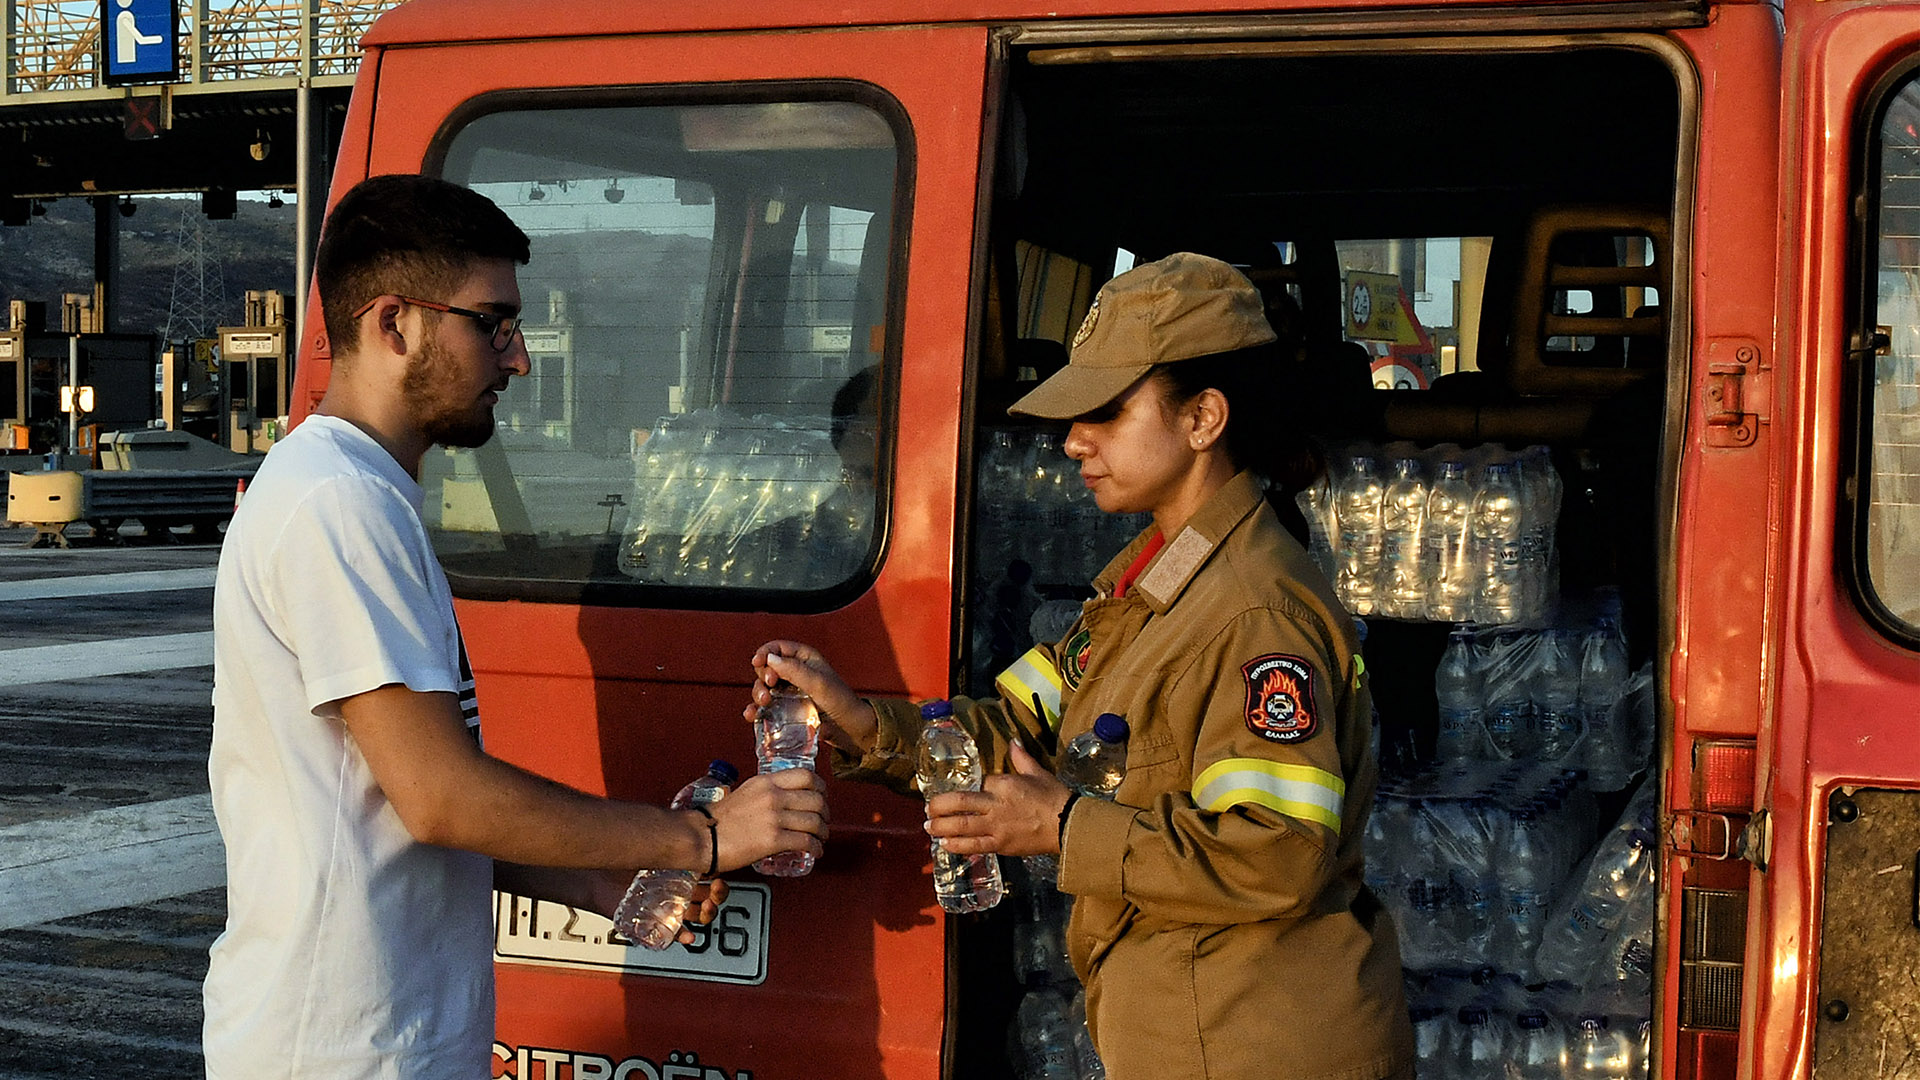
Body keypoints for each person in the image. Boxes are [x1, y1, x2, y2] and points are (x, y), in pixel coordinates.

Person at [204, 174, 828, 1080]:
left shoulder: (354, 492)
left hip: (378, 1036)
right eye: (492, 323)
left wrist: (594, 878)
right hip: (341, 1048)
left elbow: (395, 811)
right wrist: (700, 837)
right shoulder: (337, 503)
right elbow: (441, 797)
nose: (520, 358)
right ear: (394, 324)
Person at [749, 252, 1413, 1080]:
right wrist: (859, 722)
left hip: (1250, 1046)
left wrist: (1064, 828)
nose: (1073, 441)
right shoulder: (1155, 579)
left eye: (1106, 411)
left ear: (1204, 418)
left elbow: (1279, 855)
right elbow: (1019, 730)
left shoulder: (1253, 613)